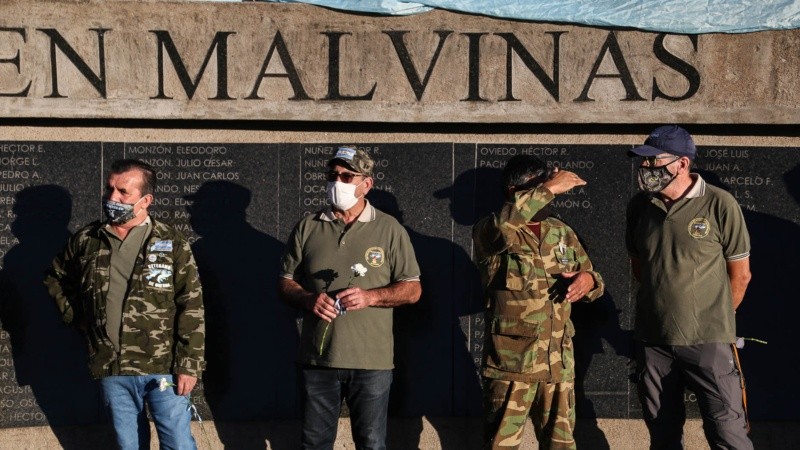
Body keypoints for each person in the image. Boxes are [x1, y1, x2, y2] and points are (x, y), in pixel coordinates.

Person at [44, 159, 205, 449]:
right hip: (112, 366)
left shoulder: (171, 241)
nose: (112, 198)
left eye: (123, 192)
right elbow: (56, 277)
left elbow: (191, 303)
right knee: (126, 445)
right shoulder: (87, 239)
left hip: (163, 368)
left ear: (146, 200)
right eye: (109, 190)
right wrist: (80, 318)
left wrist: (189, 364)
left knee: (178, 444)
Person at [278, 147, 422, 450]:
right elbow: (285, 280)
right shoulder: (308, 226)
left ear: (366, 184)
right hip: (318, 360)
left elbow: (412, 289)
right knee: (314, 442)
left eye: (347, 176)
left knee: (371, 443)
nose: (337, 183)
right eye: (333, 176)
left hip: (372, 361)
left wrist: (372, 296)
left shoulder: (389, 229)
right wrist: (307, 299)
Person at [626, 125, 753, 449]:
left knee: (728, 434)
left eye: (655, 162)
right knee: (663, 435)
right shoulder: (640, 207)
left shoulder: (720, 204)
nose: (646, 169)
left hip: (709, 342)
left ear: (682, 164)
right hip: (654, 343)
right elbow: (641, 267)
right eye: (644, 162)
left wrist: (712, 318)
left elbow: (740, 275)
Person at [473, 155, 605, 450]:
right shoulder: (492, 229)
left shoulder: (561, 232)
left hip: (557, 363)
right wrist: (552, 187)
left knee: (561, 445)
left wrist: (589, 281)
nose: (550, 193)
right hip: (512, 365)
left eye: (549, 186)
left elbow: (593, 280)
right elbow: (506, 223)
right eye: (542, 187)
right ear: (514, 190)